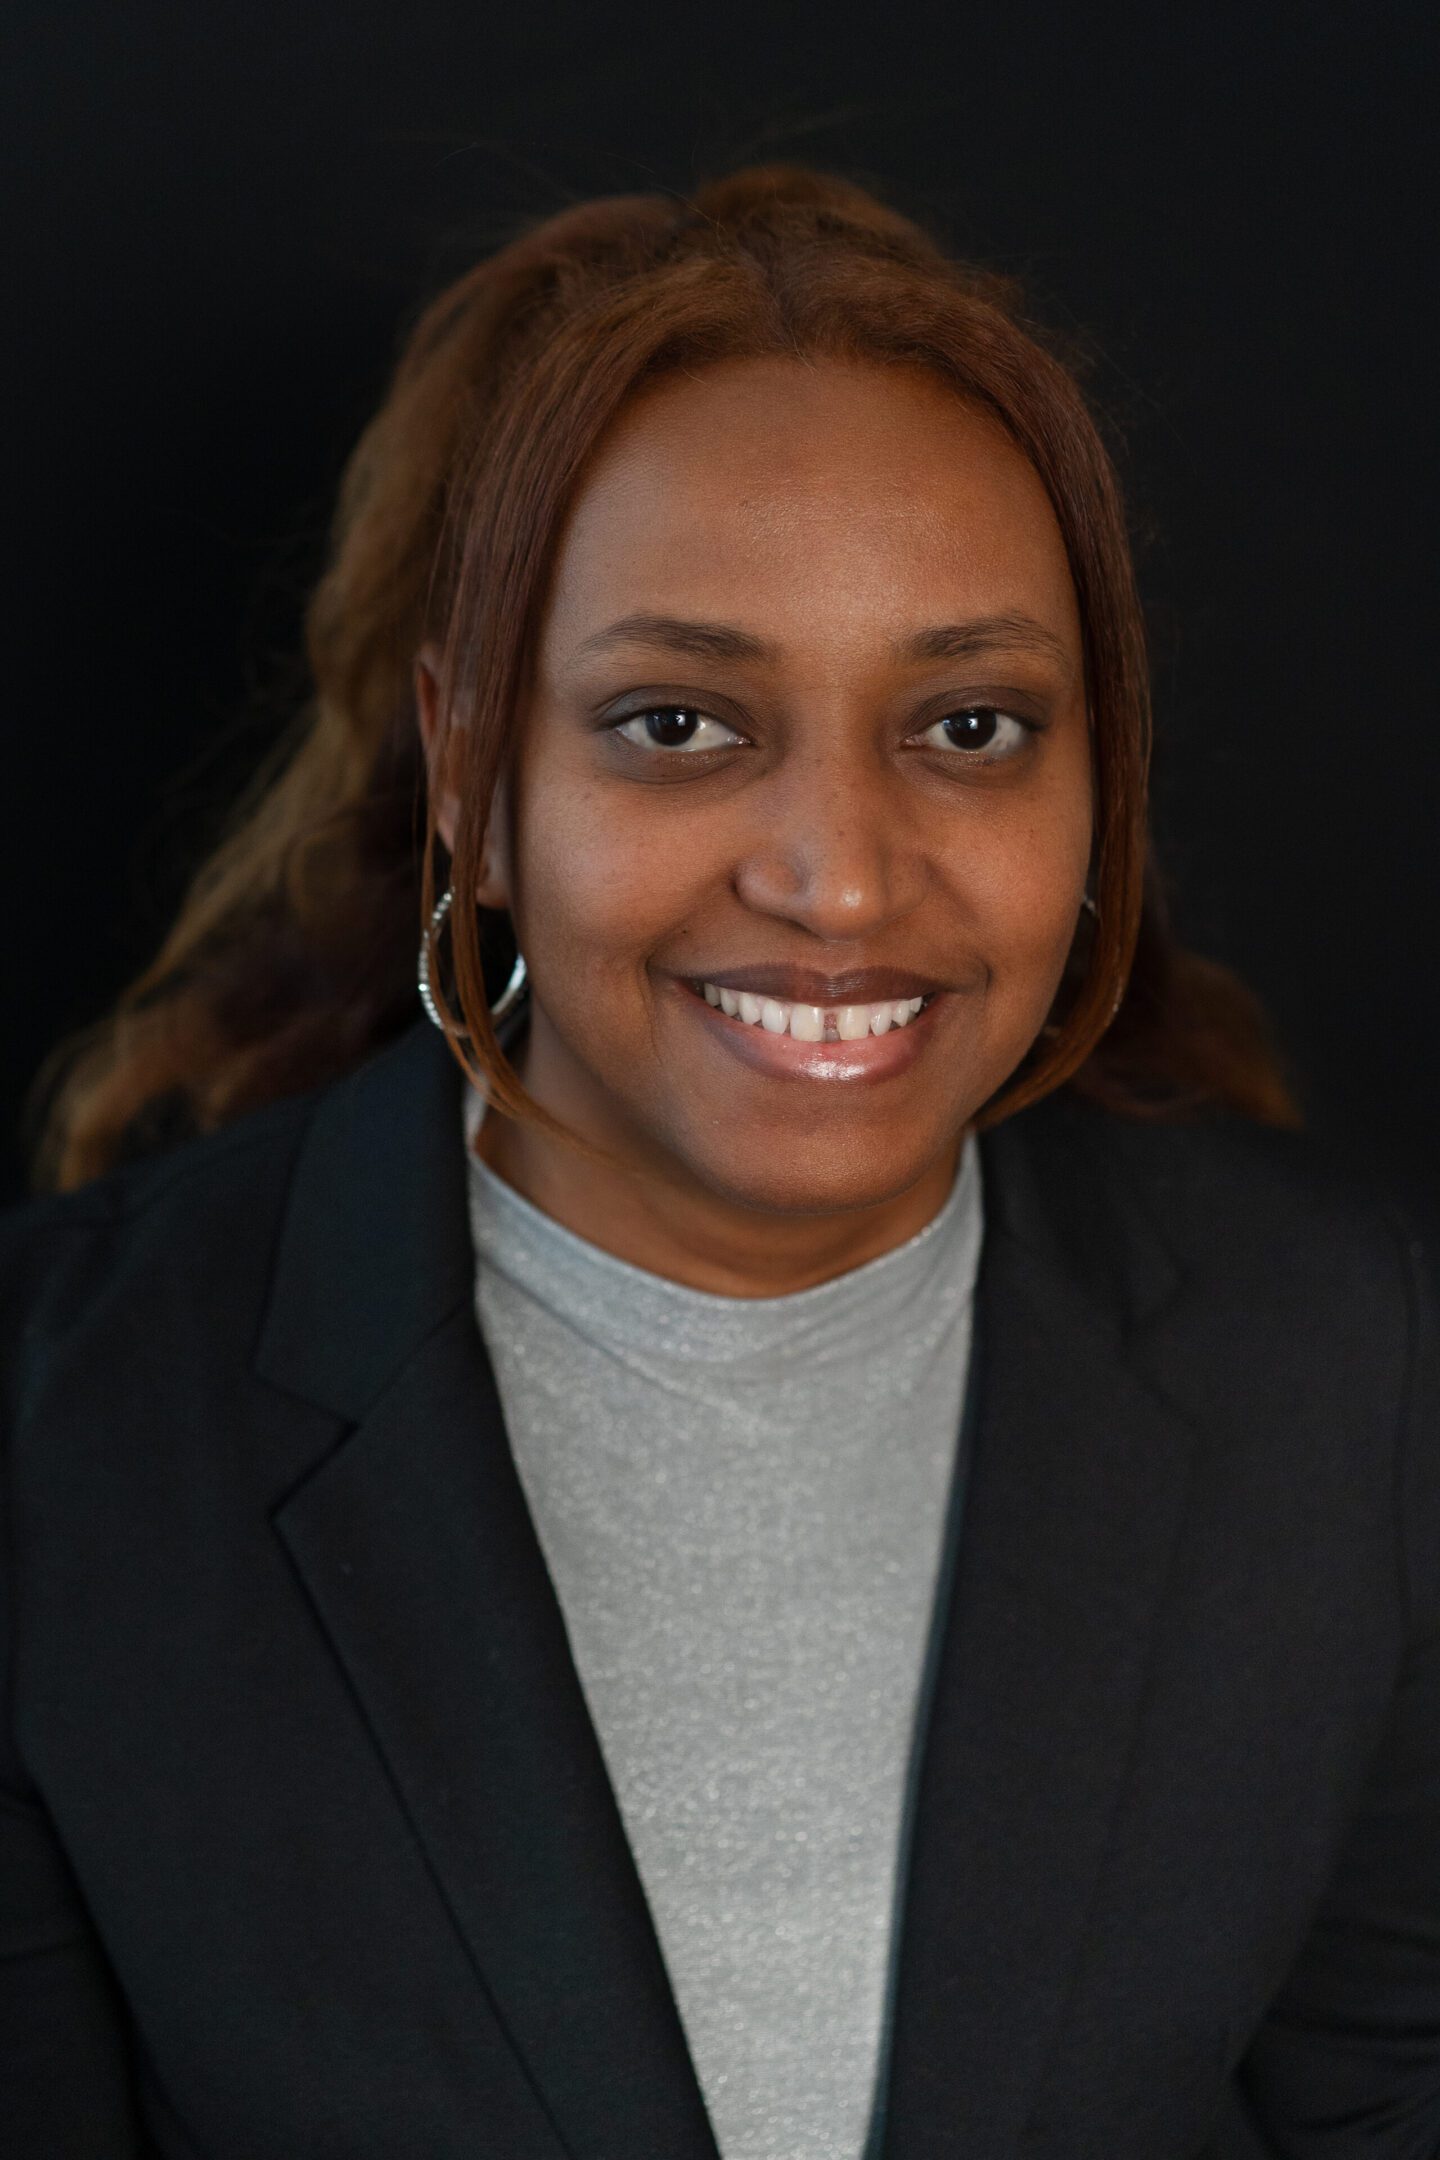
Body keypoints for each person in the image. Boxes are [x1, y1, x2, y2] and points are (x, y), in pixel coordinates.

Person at [4, 164, 1438, 2160]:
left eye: (969, 725)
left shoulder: (1342, 1363)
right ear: (472, 771)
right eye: (677, 721)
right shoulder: (61, 1437)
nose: (838, 878)